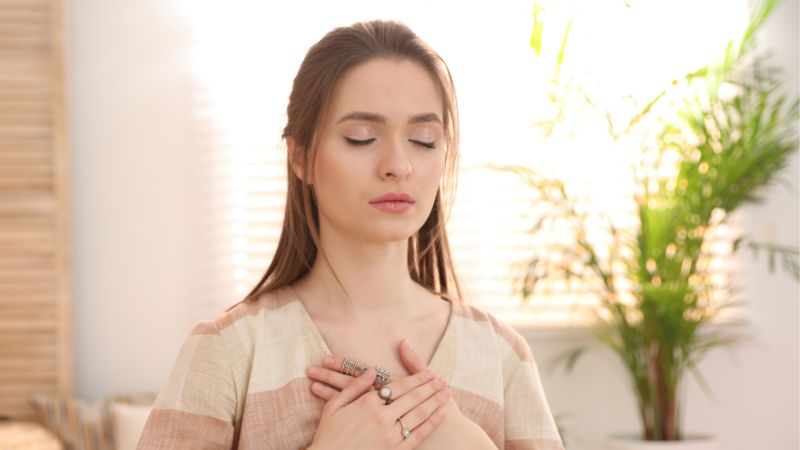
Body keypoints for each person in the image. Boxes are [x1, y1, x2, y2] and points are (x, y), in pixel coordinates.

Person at [137, 19, 564, 450]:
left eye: (423, 139)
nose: (398, 165)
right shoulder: (228, 351)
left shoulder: (500, 355)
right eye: (362, 138)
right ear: (300, 157)